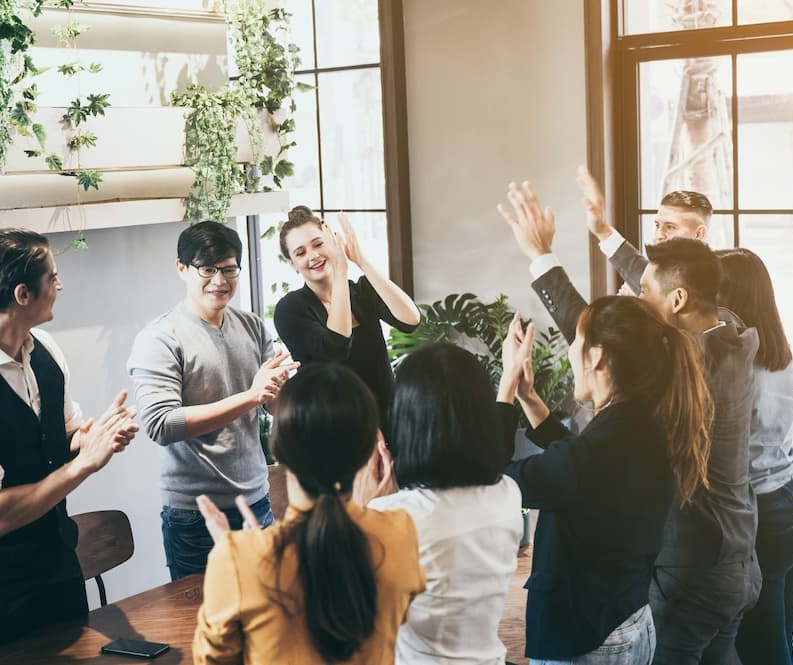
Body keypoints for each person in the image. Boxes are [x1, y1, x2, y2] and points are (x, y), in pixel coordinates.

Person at [498, 182, 761, 664]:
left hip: (693, 571)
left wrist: (541, 255)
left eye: (643, 294)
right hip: (737, 555)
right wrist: (603, 233)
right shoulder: (727, 329)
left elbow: (608, 339)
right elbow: (662, 286)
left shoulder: (685, 365)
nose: (637, 300)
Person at [0, 228, 139, 652]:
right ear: (23, 294)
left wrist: (93, 437)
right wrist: (83, 465)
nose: (60, 286)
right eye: (52, 277)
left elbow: (64, 437)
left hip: (58, 564)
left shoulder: (47, 351)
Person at [501, 296, 712, 664]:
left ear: (597, 355)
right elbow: (582, 464)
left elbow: (500, 480)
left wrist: (505, 387)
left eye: (576, 341)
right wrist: (528, 397)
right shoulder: (642, 423)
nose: (570, 353)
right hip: (629, 621)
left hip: (586, 642)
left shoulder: (595, 451)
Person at [191, 363, 425, 664]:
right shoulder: (400, 532)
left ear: (278, 448)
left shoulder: (239, 557)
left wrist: (233, 556)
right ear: (368, 448)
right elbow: (397, 616)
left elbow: (211, 660)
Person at [127, 221, 298, 581]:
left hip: (256, 500)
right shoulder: (159, 338)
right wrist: (251, 395)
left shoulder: (252, 325)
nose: (220, 280)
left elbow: (274, 406)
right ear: (182, 269)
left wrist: (281, 388)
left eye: (229, 269)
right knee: (203, 627)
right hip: (195, 515)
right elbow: (161, 425)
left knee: (265, 612)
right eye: (207, 269)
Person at [358, 343, 522, 665]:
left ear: (408, 422)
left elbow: (357, 620)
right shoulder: (508, 493)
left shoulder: (393, 517)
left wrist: (365, 509)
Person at [719, 248, 793, 665]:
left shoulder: (736, 364)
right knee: (780, 644)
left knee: (761, 651)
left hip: (764, 519)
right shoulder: (780, 350)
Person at [273, 206, 421, 424]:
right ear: (292, 264)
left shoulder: (362, 291)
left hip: (387, 421)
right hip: (335, 427)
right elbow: (336, 348)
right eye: (300, 253)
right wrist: (340, 272)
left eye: (318, 244)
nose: (313, 256)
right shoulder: (290, 309)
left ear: (333, 242)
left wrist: (361, 261)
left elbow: (410, 320)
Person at [577, 166, 712, 295]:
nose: (659, 235)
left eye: (670, 227)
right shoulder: (654, 277)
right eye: (657, 226)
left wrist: (641, 306)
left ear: (699, 234)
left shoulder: (713, 285)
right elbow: (635, 267)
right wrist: (602, 229)